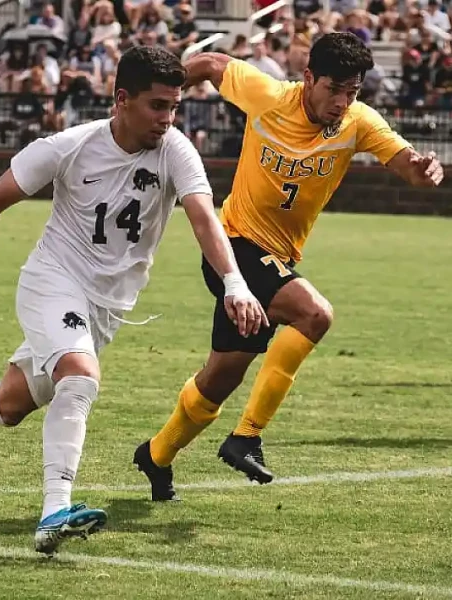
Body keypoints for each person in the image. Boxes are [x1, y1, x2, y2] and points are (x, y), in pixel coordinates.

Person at [0, 46, 267, 554]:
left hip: (107, 307)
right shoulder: (69, 146)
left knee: (10, 405)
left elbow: (203, 218)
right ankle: (54, 512)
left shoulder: (176, 149)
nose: (167, 119)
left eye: (173, 106)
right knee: (80, 376)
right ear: (121, 99)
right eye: (157, 105)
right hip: (52, 281)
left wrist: (235, 282)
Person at [133, 32, 443, 501]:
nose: (341, 102)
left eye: (352, 92)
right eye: (333, 89)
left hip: (275, 259)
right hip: (233, 246)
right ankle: (246, 436)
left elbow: (403, 161)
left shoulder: (358, 122)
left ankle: (156, 455)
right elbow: (213, 63)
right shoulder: (270, 96)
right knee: (314, 313)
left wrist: (421, 172)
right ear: (308, 78)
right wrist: (165, 94)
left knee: (218, 381)